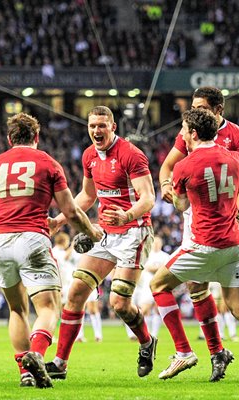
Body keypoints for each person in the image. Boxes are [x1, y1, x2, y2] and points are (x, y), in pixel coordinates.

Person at [0, 112, 102, 388]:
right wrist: (90, 231)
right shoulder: (48, 163)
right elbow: (71, 211)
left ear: (9, 138)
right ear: (36, 137)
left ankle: (24, 373)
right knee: (48, 306)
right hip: (32, 238)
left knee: (17, 309)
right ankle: (36, 354)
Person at [150, 108, 239, 384]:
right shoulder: (233, 157)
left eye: (183, 130)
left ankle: (184, 350)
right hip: (234, 244)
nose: (182, 136)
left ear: (193, 133)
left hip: (203, 244)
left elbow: (181, 205)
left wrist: (175, 193)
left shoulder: (184, 166)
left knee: (158, 286)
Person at [46, 106, 156, 380]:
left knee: (119, 304)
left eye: (102, 126)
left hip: (134, 232)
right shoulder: (89, 156)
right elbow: (87, 195)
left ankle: (146, 342)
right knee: (75, 294)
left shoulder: (131, 154)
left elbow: (148, 197)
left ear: (113, 127)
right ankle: (60, 363)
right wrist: (59, 220)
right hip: (105, 234)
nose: (96, 131)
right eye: (92, 126)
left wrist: (127, 215)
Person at [51, 232, 102, 343]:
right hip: (67, 284)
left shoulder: (61, 252)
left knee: (82, 309)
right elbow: (65, 258)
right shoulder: (60, 252)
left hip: (79, 282)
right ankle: (67, 335)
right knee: (67, 310)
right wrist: (74, 243)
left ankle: (92, 335)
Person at [134, 235, 169, 338]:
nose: (156, 244)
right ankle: (146, 333)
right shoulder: (147, 254)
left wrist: (155, 268)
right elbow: (147, 267)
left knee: (158, 310)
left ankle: (154, 334)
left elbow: (166, 269)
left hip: (160, 285)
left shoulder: (165, 256)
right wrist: (158, 268)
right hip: (147, 286)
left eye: (158, 243)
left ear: (161, 244)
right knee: (145, 309)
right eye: (155, 242)